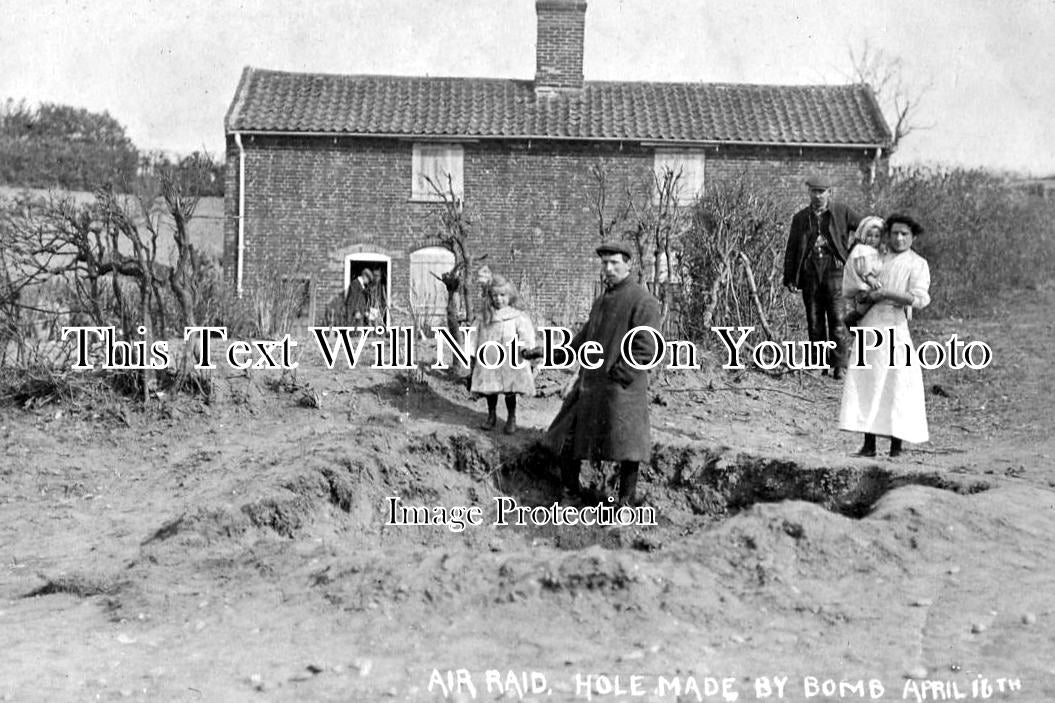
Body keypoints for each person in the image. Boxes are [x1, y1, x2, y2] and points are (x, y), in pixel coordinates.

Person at [542, 241, 663, 506]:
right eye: (604, 263)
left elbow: (646, 348)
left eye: (614, 263)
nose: (608, 268)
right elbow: (585, 337)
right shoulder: (602, 301)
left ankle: (625, 504)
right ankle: (571, 494)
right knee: (566, 436)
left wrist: (619, 376)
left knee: (628, 449)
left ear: (628, 264)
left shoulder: (643, 301)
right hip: (590, 386)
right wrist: (551, 354)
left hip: (622, 389)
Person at [839, 214, 931, 458]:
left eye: (904, 234)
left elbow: (919, 298)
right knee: (868, 380)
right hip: (870, 324)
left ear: (913, 237)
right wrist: (863, 296)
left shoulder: (917, 263)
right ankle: (868, 445)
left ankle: (896, 447)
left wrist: (886, 293)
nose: (899, 238)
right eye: (894, 233)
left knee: (896, 382)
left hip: (895, 325)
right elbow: (858, 280)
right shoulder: (877, 256)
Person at [783, 174, 860, 379]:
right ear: (808, 192)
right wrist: (790, 277)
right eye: (814, 191)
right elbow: (792, 248)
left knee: (838, 318)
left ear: (829, 193)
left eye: (821, 191)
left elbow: (866, 227)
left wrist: (850, 253)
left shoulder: (842, 212)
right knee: (814, 319)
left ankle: (840, 365)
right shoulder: (800, 218)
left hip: (835, 270)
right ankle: (818, 364)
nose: (817, 196)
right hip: (809, 271)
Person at [469, 275, 536, 434]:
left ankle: (511, 417)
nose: (498, 299)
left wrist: (526, 349)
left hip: (510, 357)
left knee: (510, 389)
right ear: (490, 297)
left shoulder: (516, 316)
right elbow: (473, 335)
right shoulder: (484, 316)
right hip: (490, 357)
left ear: (509, 295)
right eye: (494, 295)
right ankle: (491, 415)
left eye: (502, 295)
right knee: (490, 388)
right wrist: (472, 353)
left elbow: (525, 335)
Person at [842, 216, 887, 330]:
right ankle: (852, 318)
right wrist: (870, 278)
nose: (872, 239)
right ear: (864, 236)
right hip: (864, 284)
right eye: (869, 235)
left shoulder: (879, 251)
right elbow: (863, 268)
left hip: (876, 283)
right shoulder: (862, 249)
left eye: (876, 236)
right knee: (869, 300)